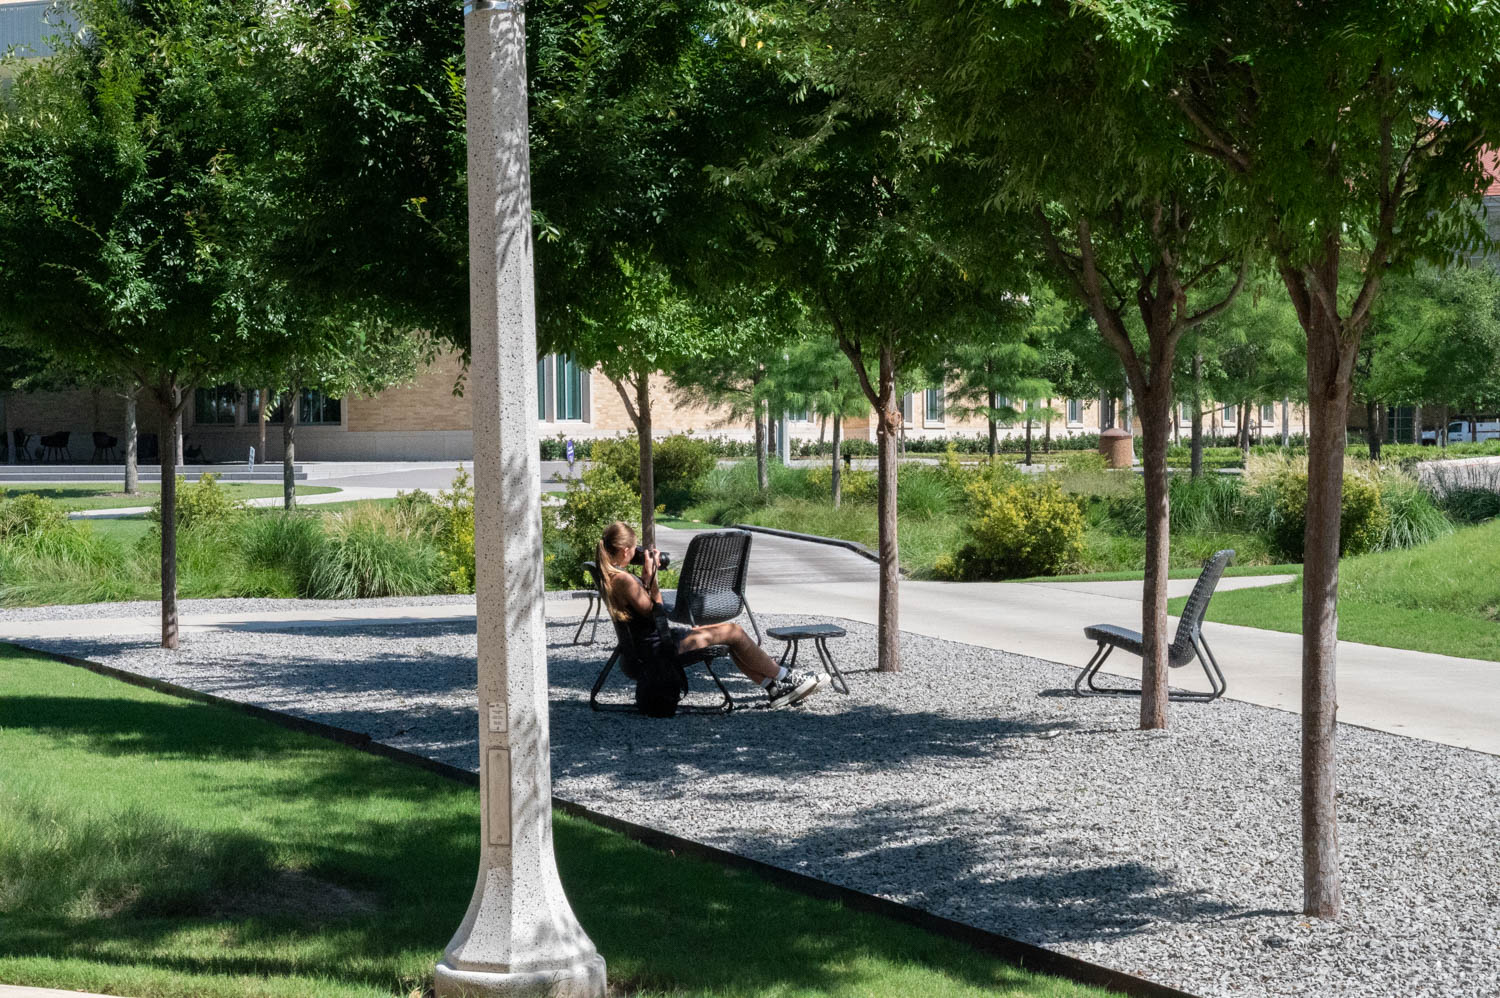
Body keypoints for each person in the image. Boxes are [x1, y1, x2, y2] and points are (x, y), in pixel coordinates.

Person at [595, 521, 824, 709]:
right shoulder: (623, 580)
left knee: (729, 636)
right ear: (626, 551)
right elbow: (656, 611)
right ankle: (786, 677)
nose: (637, 554)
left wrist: (646, 580)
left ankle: (773, 688)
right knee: (733, 631)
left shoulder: (610, 576)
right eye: (635, 550)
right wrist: (652, 579)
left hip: (648, 646)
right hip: (658, 650)